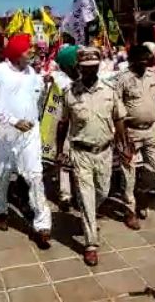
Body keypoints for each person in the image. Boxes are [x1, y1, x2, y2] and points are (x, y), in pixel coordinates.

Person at [57, 47, 129, 266]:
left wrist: (124, 145)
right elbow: (63, 124)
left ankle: (88, 211)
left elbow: (119, 119)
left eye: (93, 67)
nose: (89, 71)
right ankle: (91, 244)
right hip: (81, 152)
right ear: (79, 67)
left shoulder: (109, 90)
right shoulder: (70, 93)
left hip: (105, 152)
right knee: (87, 197)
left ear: (98, 67)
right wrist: (60, 150)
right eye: (84, 68)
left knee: (102, 191)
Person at [0, 34, 52, 248]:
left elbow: (38, 97)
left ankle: (42, 225)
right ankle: (1, 211)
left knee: (35, 176)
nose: (31, 53)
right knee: (2, 175)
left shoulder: (32, 72)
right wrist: (13, 121)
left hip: (29, 134)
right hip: (4, 134)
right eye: (27, 50)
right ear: (15, 53)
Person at [115, 45, 155, 230]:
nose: (146, 63)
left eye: (148, 60)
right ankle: (130, 211)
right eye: (142, 60)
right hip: (130, 131)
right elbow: (117, 111)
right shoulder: (122, 80)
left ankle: (142, 191)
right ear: (132, 61)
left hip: (151, 130)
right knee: (128, 172)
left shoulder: (152, 76)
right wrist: (121, 138)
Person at [47, 45, 80, 212]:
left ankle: (80, 193)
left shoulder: (88, 78)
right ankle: (65, 195)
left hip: (83, 128)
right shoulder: (59, 80)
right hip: (64, 126)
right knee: (64, 159)